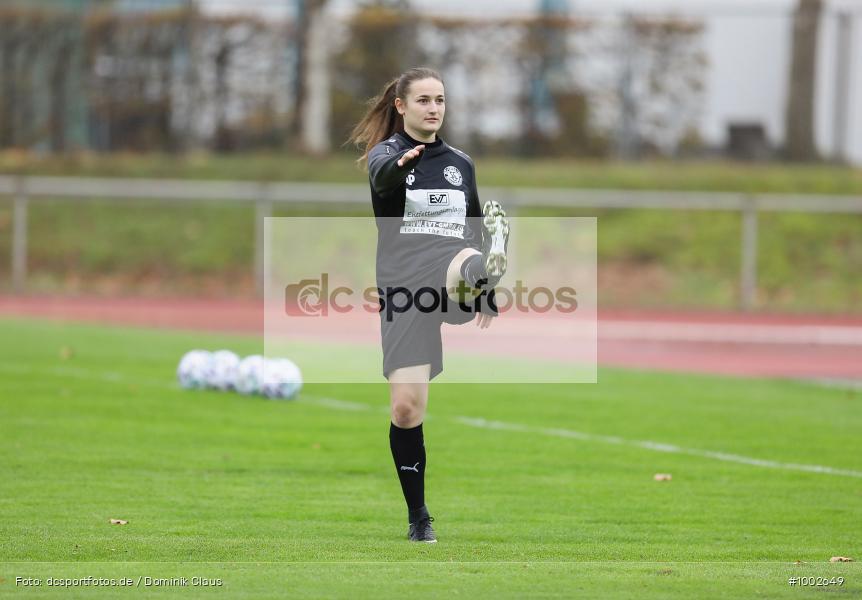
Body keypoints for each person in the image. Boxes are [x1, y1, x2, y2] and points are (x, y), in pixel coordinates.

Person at [348, 67, 509, 543]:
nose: (433, 108)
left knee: (466, 258)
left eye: (439, 99)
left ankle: (482, 272)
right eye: (422, 100)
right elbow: (379, 179)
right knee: (405, 409)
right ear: (401, 106)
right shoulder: (386, 155)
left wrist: (485, 284)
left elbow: (473, 221)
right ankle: (419, 518)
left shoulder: (461, 162)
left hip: (452, 268)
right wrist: (400, 166)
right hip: (403, 289)